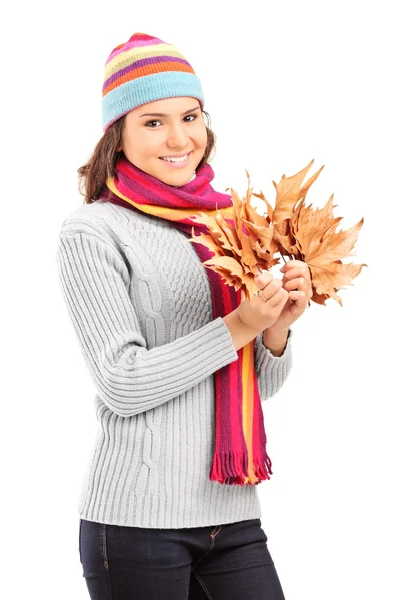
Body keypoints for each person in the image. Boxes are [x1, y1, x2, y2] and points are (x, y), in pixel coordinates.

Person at [56, 32, 312, 600]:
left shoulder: (228, 225)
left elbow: (254, 385)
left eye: (191, 116)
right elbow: (122, 381)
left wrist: (274, 328)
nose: (180, 138)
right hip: (136, 524)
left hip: (232, 511)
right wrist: (238, 325)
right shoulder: (93, 231)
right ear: (116, 134)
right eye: (153, 122)